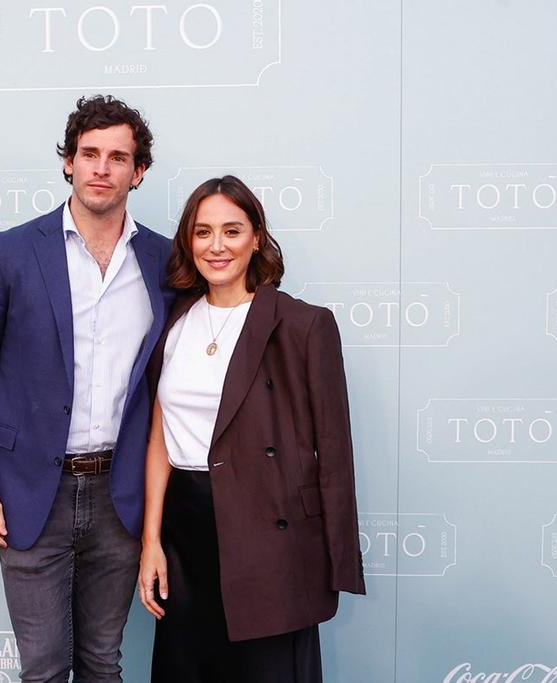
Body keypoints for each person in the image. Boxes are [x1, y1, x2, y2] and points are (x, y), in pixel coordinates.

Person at [0, 95, 173, 683]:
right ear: (68, 162)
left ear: (138, 172)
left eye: (117, 157)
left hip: (121, 496)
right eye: (89, 153)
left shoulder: (165, 262)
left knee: (103, 662)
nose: (101, 167)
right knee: (43, 668)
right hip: (26, 492)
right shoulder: (9, 252)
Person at [137, 175, 366, 682]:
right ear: (187, 242)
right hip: (185, 531)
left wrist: (334, 562)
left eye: (232, 231)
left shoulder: (302, 325)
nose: (216, 246)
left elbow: (334, 451)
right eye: (202, 232)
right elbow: (159, 438)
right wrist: (150, 542)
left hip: (269, 532)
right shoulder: (173, 322)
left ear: (257, 238)